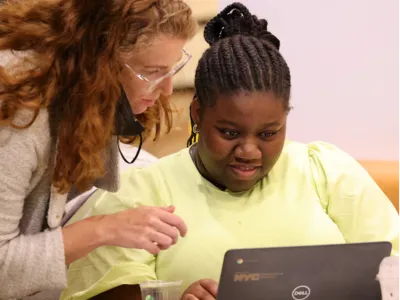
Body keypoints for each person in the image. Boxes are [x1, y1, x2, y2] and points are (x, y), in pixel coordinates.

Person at [61, 2, 400, 300]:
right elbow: (105, 293)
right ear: (197, 113)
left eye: (269, 133)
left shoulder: (326, 172)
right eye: (229, 132)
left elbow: (394, 270)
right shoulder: (138, 195)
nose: (250, 151)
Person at [0, 0, 197, 299]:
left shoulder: (82, 93)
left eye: (173, 69)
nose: (167, 90)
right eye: (153, 71)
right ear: (101, 62)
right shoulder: (19, 111)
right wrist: (104, 229)